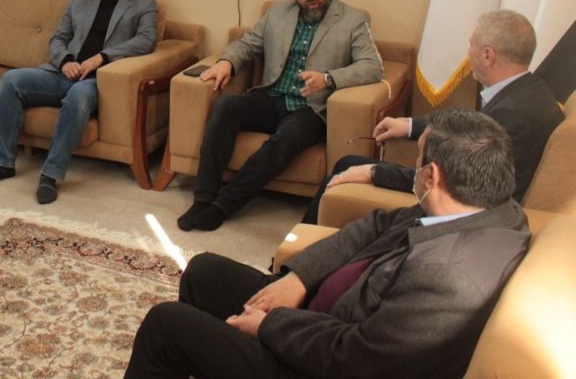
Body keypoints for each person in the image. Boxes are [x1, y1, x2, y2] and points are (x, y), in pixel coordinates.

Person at [125, 108, 530, 379]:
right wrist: (299, 278)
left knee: (166, 324)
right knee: (204, 271)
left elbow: (358, 359)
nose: (413, 168)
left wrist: (268, 326)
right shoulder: (487, 207)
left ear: (431, 176)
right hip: (323, 316)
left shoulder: (446, 277)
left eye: (417, 160)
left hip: (319, 362)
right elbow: (374, 225)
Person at [302, 9, 563, 224]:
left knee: (346, 168)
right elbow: (468, 126)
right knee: (347, 162)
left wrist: (374, 172)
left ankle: (295, 249)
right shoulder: (530, 91)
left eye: (471, 46)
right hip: (462, 189)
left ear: (487, 55)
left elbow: (452, 180)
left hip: (466, 210)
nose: (468, 54)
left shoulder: (511, 115)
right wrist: (409, 125)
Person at [177, 0, 382, 231]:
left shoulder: (352, 19)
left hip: (311, 108)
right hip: (272, 97)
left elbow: (372, 66)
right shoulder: (277, 13)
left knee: (285, 139)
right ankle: (203, 199)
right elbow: (248, 44)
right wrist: (226, 62)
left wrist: (328, 78)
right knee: (227, 106)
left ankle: (224, 206)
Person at [0, 0, 158, 204]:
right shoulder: (79, 2)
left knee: (77, 97)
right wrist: (66, 61)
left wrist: (102, 57)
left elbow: (146, 41)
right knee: (11, 81)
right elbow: (58, 38)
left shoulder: (144, 5)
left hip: (96, 81)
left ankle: (50, 174)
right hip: (63, 73)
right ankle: (2, 163)